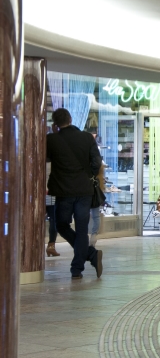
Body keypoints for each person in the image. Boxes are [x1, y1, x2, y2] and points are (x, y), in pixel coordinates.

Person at [46, 108, 104, 279]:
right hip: (84, 191)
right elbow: (97, 161)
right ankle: (78, 268)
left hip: (63, 191)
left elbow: (44, 159)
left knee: (61, 225)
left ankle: (90, 255)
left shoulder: (51, 139)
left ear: (55, 124)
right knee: (81, 229)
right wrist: (90, 175)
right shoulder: (87, 137)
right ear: (71, 119)